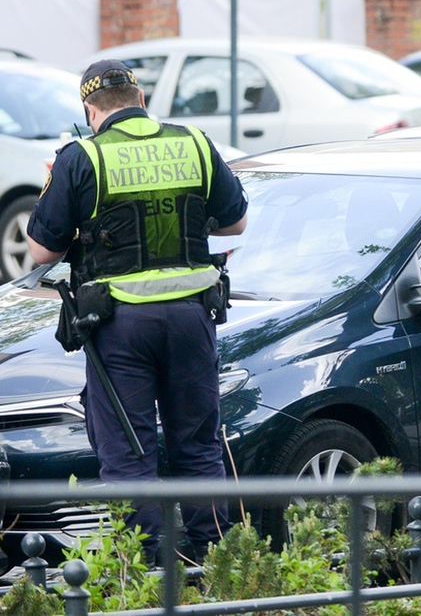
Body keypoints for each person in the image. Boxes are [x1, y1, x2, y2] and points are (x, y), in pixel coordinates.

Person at [26, 59, 248, 562]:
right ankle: (217, 564)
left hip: (119, 325)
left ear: (90, 108)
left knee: (129, 454)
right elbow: (236, 224)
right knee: (199, 445)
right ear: (141, 97)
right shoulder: (193, 142)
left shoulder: (81, 157)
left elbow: (42, 252)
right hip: (192, 317)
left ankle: (149, 571)